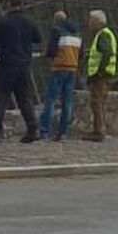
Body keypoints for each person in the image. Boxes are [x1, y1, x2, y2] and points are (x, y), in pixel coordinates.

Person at [0, 0, 43, 143]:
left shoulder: (3, 22)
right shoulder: (29, 21)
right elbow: (38, 38)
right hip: (24, 65)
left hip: (7, 64)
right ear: (21, 4)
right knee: (24, 98)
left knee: (0, 97)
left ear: (8, 4)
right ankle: (33, 129)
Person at [40, 10, 82, 142]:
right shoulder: (77, 34)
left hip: (59, 68)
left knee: (51, 100)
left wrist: (46, 55)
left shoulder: (57, 31)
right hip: (72, 69)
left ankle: (44, 131)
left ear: (56, 20)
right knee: (67, 102)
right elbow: (81, 54)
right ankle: (62, 132)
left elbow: (52, 51)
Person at [84, 9, 118, 143]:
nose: (89, 23)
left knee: (97, 103)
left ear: (98, 22)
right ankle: (99, 129)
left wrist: (100, 71)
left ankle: (98, 131)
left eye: (91, 21)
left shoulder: (102, 35)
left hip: (100, 76)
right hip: (105, 74)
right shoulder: (106, 34)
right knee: (100, 103)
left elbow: (106, 53)